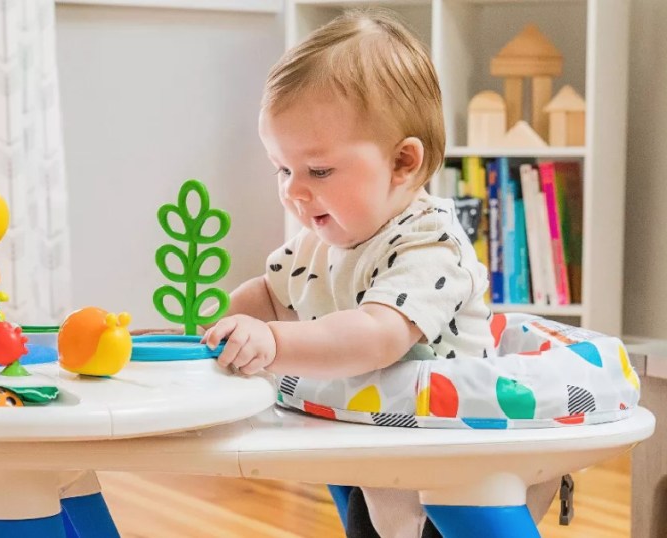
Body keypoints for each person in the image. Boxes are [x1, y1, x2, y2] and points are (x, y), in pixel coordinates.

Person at [199, 9, 552, 537]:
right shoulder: (320, 241)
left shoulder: (431, 244)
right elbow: (269, 297)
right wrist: (217, 330)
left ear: (403, 163)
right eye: (283, 168)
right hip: (381, 439)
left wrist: (272, 342)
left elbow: (378, 335)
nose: (294, 189)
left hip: (458, 451)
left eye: (318, 170)